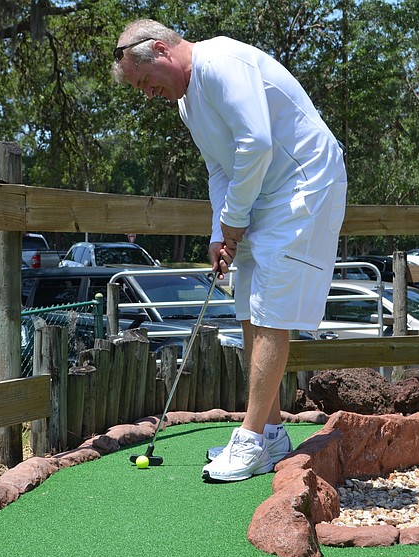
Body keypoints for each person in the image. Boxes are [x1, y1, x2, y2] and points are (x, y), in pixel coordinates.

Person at [112, 19, 347, 482]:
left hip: (303, 185)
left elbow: (256, 143)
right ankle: (273, 431)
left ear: (161, 50)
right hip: (262, 192)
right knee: (248, 304)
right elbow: (220, 169)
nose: (148, 94)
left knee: (271, 309)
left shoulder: (220, 63)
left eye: (145, 83)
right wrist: (219, 232)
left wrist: (234, 220)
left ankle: (252, 438)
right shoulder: (186, 104)